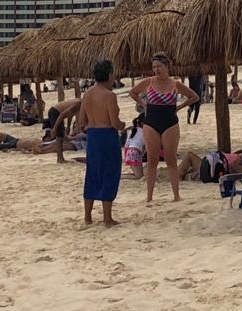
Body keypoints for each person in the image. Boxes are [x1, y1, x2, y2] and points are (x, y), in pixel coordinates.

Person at [129, 53, 200, 204]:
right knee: (152, 160)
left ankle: (176, 195)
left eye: (159, 66)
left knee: (171, 160)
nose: (156, 69)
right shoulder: (149, 82)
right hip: (151, 123)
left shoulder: (175, 84)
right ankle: (149, 196)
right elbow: (133, 93)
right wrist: (143, 104)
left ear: (167, 66)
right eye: (154, 67)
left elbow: (194, 96)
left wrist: (179, 107)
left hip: (170, 123)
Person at [79, 59, 125, 226]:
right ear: (109, 74)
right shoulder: (109, 95)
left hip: (92, 136)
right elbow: (114, 122)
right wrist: (123, 126)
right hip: (107, 136)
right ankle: (107, 218)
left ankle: (88, 216)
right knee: (110, 173)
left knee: (92, 173)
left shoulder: (88, 93)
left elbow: (81, 121)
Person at [123, 115, 146, 179]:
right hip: (135, 153)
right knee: (139, 176)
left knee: (139, 174)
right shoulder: (145, 132)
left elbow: (126, 145)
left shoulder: (133, 130)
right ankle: (119, 176)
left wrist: (126, 157)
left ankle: (120, 176)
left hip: (130, 152)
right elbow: (145, 147)